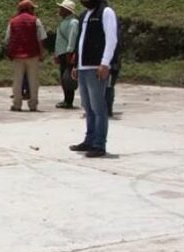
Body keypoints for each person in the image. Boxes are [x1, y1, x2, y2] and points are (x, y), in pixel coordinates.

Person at [70, 0, 117, 158]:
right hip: (83, 67)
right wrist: (76, 65)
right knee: (87, 107)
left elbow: (112, 39)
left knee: (98, 108)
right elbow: (80, 41)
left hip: (96, 66)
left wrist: (105, 63)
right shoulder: (85, 14)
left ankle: (99, 144)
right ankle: (89, 140)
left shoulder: (106, 12)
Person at [5, 0, 46, 112]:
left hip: (18, 56)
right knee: (33, 81)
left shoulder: (13, 21)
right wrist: (42, 53)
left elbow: (8, 39)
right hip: (33, 55)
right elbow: (41, 38)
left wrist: (11, 52)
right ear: (29, 9)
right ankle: (33, 105)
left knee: (17, 81)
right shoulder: (36, 20)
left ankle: (17, 104)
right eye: (32, 8)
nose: (34, 10)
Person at [54, 0, 78, 109]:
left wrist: (69, 52)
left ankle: (69, 101)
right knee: (64, 77)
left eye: (62, 9)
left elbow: (72, 39)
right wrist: (57, 53)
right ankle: (66, 99)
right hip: (62, 53)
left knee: (68, 77)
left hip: (67, 53)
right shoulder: (64, 22)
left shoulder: (73, 23)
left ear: (67, 11)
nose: (60, 10)